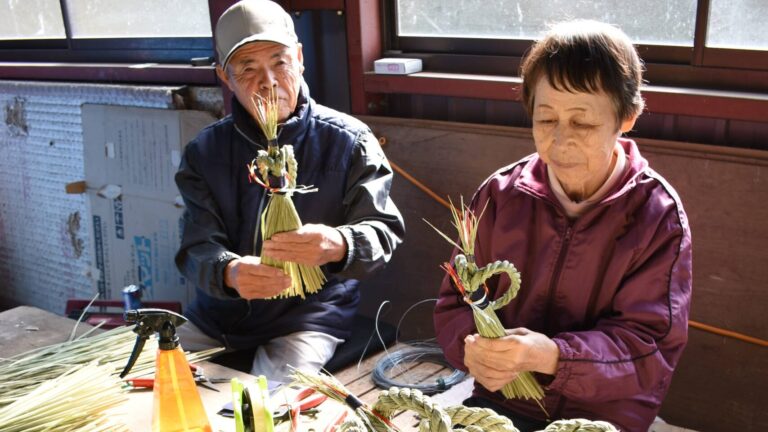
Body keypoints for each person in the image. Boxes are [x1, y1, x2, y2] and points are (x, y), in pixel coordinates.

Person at [433, 20, 692, 432]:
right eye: (545, 119)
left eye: (583, 123)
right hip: (503, 398)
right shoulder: (500, 196)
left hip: (605, 412)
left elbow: (649, 348)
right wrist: (470, 348)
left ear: (628, 117)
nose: (560, 141)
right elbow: (454, 303)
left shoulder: (656, 216)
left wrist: (551, 355)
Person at [174, 0, 404, 382]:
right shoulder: (206, 152)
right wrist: (229, 272)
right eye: (248, 68)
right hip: (219, 317)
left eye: (279, 62)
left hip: (308, 318)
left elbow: (384, 231)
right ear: (225, 78)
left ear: (299, 59)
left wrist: (338, 243)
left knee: (271, 404)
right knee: (150, 380)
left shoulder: (349, 142)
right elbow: (196, 247)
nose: (268, 81)